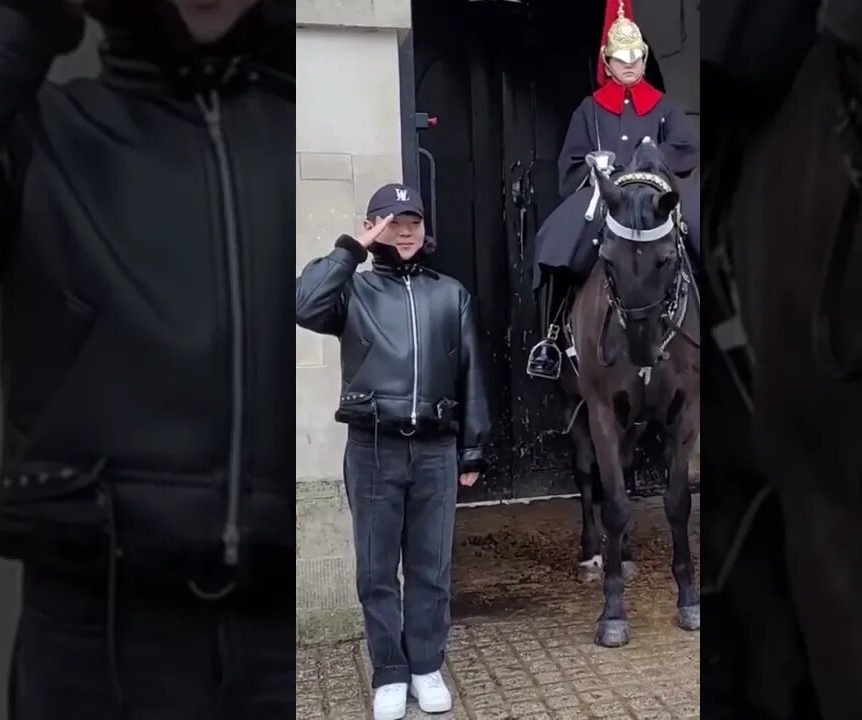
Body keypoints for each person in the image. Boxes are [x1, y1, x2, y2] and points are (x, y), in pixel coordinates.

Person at [0, 1, 292, 718]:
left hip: (283, 618)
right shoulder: (43, 134)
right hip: (99, 632)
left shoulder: (297, 129)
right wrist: (32, 13)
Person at [296, 183, 490, 720]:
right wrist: (348, 249)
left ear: (425, 230)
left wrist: (473, 447)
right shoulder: (352, 291)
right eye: (392, 222)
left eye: (413, 222)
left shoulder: (449, 293)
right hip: (373, 448)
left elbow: (472, 372)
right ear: (374, 226)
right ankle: (389, 672)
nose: (405, 232)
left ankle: (426, 667)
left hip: (435, 450)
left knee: (431, 566)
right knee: (377, 570)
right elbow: (302, 305)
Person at [527, 0, 699, 381]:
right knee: (557, 240)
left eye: (636, 58)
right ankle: (551, 338)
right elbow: (570, 162)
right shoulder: (589, 110)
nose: (630, 65)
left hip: (656, 198)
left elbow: (686, 149)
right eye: (622, 59)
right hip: (608, 198)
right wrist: (593, 163)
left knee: (705, 227)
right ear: (607, 62)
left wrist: (655, 155)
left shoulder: (663, 106)